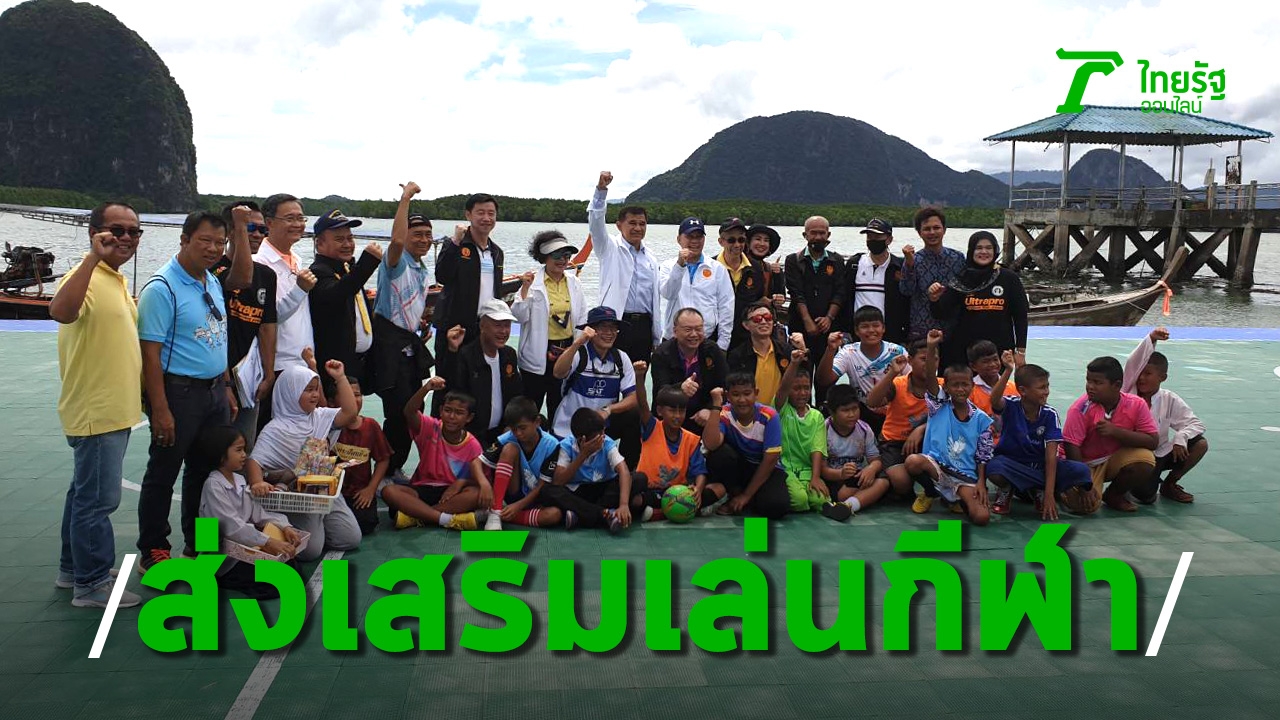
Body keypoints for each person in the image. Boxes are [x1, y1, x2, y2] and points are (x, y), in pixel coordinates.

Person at [49, 202, 145, 607]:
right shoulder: (86, 275)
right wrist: (91, 258)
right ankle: (91, 584)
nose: (125, 238)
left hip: (113, 410)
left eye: (133, 231)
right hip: (97, 411)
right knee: (99, 501)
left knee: (82, 495)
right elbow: (60, 311)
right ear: (95, 233)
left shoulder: (114, 279)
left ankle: (73, 569)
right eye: (115, 230)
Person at [136, 210, 240, 573]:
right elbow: (150, 355)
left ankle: (200, 544)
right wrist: (160, 409)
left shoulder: (211, 280)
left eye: (220, 242)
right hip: (179, 393)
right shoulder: (161, 288)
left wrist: (226, 385)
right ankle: (154, 548)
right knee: (163, 472)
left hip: (214, 392)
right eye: (205, 241)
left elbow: (218, 336)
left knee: (207, 471)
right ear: (184, 240)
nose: (213, 249)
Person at [369, 182, 434, 477]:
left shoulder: (421, 267)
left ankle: (394, 469)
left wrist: (419, 325)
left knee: (413, 412)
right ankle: (387, 471)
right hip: (390, 352)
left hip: (410, 347)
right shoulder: (396, 262)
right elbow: (395, 242)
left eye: (428, 234)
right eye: (417, 234)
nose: (424, 239)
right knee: (397, 415)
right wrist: (405, 198)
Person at [985, 355, 1097, 519]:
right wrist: (1008, 370)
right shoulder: (1011, 405)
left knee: (1081, 470)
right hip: (1012, 463)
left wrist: (1049, 494)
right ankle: (1007, 489)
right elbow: (994, 400)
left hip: (1040, 466)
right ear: (1023, 391)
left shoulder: (1050, 414)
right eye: (1042, 387)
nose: (1047, 392)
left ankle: (1040, 490)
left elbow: (1051, 457)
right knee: (994, 467)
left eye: (1047, 386)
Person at [198, 425, 302, 597]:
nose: (244, 455)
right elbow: (232, 527)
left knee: (291, 569)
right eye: (238, 450)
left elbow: (259, 514)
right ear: (221, 455)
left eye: (244, 450)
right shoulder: (213, 485)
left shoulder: (239, 480)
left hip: (243, 548)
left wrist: (285, 527)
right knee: (279, 582)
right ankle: (218, 577)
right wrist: (268, 542)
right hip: (223, 556)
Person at [382, 379, 491, 531]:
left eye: (459, 413)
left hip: (451, 494)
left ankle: (417, 515)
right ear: (440, 411)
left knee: (475, 494)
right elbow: (409, 412)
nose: (452, 416)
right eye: (448, 410)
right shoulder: (430, 427)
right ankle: (446, 519)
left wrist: (459, 484)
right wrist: (426, 388)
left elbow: (476, 480)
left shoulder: (473, 446)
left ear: (469, 418)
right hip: (421, 488)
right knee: (389, 491)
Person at [211, 201, 277, 452]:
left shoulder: (267, 275)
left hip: (249, 378)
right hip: (219, 376)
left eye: (263, 230)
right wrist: (225, 383)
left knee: (243, 449)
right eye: (250, 228)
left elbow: (267, 325)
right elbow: (240, 278)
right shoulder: (213, 271)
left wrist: (269, 373)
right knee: (214, 451)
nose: (258, 235)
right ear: (231, 231)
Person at [1062, 356, 1159, 513]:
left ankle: (1114, 495)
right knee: (1085, 507)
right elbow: (1071, 446)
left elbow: (1153, 441)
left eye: (1097, 382)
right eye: (1088, 381)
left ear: (1117, 385)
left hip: (1112, 458)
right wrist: (1084, 485)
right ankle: (1062, 490)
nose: (1090, 387)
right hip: (1084, 463)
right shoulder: (1080, 409)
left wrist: (1115, 432)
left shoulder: (1136, 404)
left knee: (1145, 459)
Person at [903, 362, 995, 525]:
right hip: (937, 468)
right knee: (913, 461)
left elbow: (983, 455)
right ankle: (931, 492)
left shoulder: (982, 419)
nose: (960, 389)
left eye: (965, 384)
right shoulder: (938, 406)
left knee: (982, 517)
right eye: (955, 385)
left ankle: (955, 499)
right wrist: (932, 349)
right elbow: (930, 377)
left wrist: (981, 483)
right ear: (946, 387)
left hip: (964, 476)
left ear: (972, 386)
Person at [1123, 328, 1207, 504]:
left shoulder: (1169, 398)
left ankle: (1169, 484)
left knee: (1200, 444)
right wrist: (1151, 338)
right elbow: (1133, 362)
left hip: (1160, 453)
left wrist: (1181, 437)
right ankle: (1128, 484)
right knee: (1145, 497)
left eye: (1148, 374)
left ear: (1163, 377)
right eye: (1140, 373)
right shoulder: (1128, 393)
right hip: (1133, 456)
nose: (1141, 378)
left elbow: (1196, 424)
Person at [512, 230, 587, 423]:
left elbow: (582, 318)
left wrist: (578, 349)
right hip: (537, 352)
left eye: (566, 255)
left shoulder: (574, 282)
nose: (563, 260)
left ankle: (557, 438)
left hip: (566, 350)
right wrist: (525, 290)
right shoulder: (532, 283)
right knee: (531, 406)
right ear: (544, 256)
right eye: (557, 255)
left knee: (560, 404)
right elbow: (518, 317)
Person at [865, 332, 945, 513]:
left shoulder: (942, 385)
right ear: (910, 360)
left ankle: (934, 491)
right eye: (924, 359)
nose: (929, 363)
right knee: (901, 483)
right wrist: (892, 373)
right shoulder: (898, 384)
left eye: (934, 359)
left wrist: (921, 429)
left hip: (927, 442)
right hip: (894, 443)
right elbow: (872, 402)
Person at [589, 171, 662, 362]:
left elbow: (655, 300)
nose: (638, 228)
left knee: (639, 373)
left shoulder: (651, 258)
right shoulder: (608, 248)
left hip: (644, 326)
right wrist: (601, 191)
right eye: (632, 223)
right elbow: (595, 223)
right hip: (615, 324)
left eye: (642, 224)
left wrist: (656, 335)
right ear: (619, 225)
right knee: (611, 372)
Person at [929, 230, 1029, 370]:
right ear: (971, 251)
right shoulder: (961, 279)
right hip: (964, 351)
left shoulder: (1008, 278)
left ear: (995, 251)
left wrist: (1021, 351)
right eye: (979, 248)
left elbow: (1020, 316)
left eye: (989, 248)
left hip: (998, 351)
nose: (984, 252)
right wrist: (934, 299)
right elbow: (941, 314)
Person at [631, 362, 719, 520]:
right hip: (652, 491)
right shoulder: (652, 428)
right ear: (660, 411)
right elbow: (642, 404)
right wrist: (639, 376)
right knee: (635, 500)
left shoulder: (691, 439)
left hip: (680, 493)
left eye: (681, 411)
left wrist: (698, 489)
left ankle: (659, 513)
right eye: (672, 411)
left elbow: (700, 472)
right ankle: (680, 511)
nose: (677, 416)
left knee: (719, 489)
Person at [702, 373, 792, 519]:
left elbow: (770, 460)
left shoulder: (770, 416)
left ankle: (743, 500)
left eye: (747, 393)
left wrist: (746, 495)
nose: (742, 400)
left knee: (777, 506)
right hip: (740, 468)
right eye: (736, 394)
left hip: (765, 468)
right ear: (728, 396)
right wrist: (716, 405)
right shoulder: (724, 413)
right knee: (721, 454)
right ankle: (732, 493)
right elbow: (711, 445)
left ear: (756, 393)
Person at [308, 208, 382, 386]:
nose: (347, 244)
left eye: (350, 238)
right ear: (319, 244)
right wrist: (367, 264)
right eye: (339, 239)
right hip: (335, 367)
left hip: (358, 364)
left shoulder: (346, 269)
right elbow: (338, 293)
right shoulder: (318, 272)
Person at [552, 306, 639, 453]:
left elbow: (633, 398)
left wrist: (608, 409)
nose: (609, 333)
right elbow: (558, 373)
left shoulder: (621, 358)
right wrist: (578, 342)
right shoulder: (578, 354)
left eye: (613, 328)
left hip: (602, 427)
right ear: (591, 330)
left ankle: (629, 464)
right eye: (603, 327)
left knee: (635, 415)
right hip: (568, 428)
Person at [439, 299, 524, 446]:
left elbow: (516, 395)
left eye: (507, 325)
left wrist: (510, 425)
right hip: (471, 437)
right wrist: (452, 351)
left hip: (502, 434)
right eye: (498, 325)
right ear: (482, 326)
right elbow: (452, 392)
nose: (504, 331)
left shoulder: (509, 355)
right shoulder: (466, 356)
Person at [816, 305, 908, 437]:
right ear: (856, 331)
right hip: (862, 413)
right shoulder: (848, 352)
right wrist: (830, 349)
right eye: (865, 326)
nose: (871, 330)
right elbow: (824, 379)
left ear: (883, 328)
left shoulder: (897, 351)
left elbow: (912, 383)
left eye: (876, 325)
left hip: (895, 412)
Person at [480, 398, 572, 529]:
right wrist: (484, 483)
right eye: (514, 429)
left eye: (522, 428)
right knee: (510, 449)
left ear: (537, 422)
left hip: (537, 498)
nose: (518, 433)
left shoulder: (552, 445)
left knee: (554, 515)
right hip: (514, 493)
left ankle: (498, 515)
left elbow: (542, 485)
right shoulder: (509, 437)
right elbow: (477, 462)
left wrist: (519, 506)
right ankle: (495, 511)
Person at [433, 192, 505, 359]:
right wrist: (455, 243)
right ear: (468, 215)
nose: (486, 218)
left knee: (481, 372)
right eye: (480, 213)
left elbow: (496, 290)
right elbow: (442, 276)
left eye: (491, 213)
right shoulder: (455, 244)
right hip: (455, 329)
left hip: (485, 327)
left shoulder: (496, 252)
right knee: (450, 372)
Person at [546, 408, 638, 533]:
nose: (603, 437)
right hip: (579, 491)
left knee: (639, 479)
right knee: (549, 490)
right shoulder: (566, 446)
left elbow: (623, 471)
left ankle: (580, 516)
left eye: (603, 432)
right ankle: (604, 515)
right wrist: (583, 455)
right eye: (598, 436)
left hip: (603, 490)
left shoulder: (607, 443)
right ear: (581, 439)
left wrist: (623, 505)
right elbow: (558, 481)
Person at [253, 193, 317, 372]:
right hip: (278, 363)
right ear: (269, 222)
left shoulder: (296, 259)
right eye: (290, 219)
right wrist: (300, 290)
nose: (297, 224)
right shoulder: (258, 263)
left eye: (300, 218)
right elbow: (266, 317)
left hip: (305, 358)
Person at [784, 216, 846, 386]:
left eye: (822, 233)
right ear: (805, 235)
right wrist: (807, 321)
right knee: (801, 376)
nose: (818, 237)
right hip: (800, 328)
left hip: (828, 329)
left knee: (825, 379)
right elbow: (796, 293)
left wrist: (829, 318)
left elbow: (840, 292)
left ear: (828, 235)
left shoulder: (836, 260)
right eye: (813, 233)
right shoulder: (793, 260)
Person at [817, 385, 891, 522]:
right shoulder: (823, 430)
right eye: (845, 410)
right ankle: (851, 503)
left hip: (857, 478)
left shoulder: (864, 429)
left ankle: (846, 507)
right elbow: (822, 469)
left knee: (883, 482)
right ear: (832, 412)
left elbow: (876, 460)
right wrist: (840, 474)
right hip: (834, 479)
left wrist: (871, 469)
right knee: (846, 493)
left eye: (855, 408)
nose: (852, 414)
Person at [650, 307, 730, 433]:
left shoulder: (712, 350)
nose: (694, 334)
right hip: (671, 416)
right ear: (675, 331)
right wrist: (679, 389)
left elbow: (725, 385)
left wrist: (711, 409)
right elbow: (659, 393)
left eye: (698, 329)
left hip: (702, 415)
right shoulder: (662, 354)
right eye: (688, 330)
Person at [329, 376, 392, 535]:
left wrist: (370, 489)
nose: (354, 400)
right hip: (332, 494)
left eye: (357, 395)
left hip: (358, 494)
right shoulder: (327, 425)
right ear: (332, 402)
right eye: (347, 395)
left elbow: (383, 459)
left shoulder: (371, 426)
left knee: (366, 524)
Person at [660, 217, 734, 351]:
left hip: (706, 338)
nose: (694, 241)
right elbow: (668, 293)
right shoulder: (668, 266)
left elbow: (726, 306)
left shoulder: (717, 268)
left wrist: (723, 344)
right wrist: (679, 266)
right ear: (679, 239)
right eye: (690, 236)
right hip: (674, 338)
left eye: (699, 237)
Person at [774, 349, 828, 514]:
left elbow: (817, 448)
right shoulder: (782, 409)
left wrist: (816, 477)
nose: (803, 393)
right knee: (800, 500)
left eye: (806, 388)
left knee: (820, 501)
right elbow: (783, 389)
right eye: (796, 388)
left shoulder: (817, 416)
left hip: (808, 471)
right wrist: (794, 363)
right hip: (785, 469)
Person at [898, 207, 964, 341]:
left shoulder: (958, 258)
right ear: (919, 232)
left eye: (936, 228)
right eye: (927, 229)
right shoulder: (913, 260)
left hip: (953, 329)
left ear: (944, 229)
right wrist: (909, 265)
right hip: (922, 331)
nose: (932, 232)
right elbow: (906, 290)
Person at [843, 218, 910, 345]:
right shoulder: (854, 264)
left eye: (877, 236)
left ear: (889, 239)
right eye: (869, 236)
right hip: (858, 335)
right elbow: (845, 297)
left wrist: (904, 334)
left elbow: (907, 301)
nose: (873, 240)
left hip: (890, 335)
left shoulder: (899, 266)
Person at [727, 300, 798, 410]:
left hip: (782, 413)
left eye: (768, 318)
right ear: (746, 325)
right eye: (757, 319)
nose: (764, 322)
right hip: (749, 413)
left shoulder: (786, 351)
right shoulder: (737, 356)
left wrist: (802, 349)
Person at [712, 217, 766, 350]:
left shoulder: (755, 268)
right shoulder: (710, 267)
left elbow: (758, 299)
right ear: (721, 241)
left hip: (746, 338)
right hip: (715, 336)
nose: (737, 245)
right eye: (731, 240)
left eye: (741, 240)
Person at [746, 223, 786, 310]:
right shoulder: (738, 264)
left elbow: (780, 296)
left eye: (766, 240)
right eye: (758, 239)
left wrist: (777, 275)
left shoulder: (769, 268)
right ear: (748, 243)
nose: (762, 244)